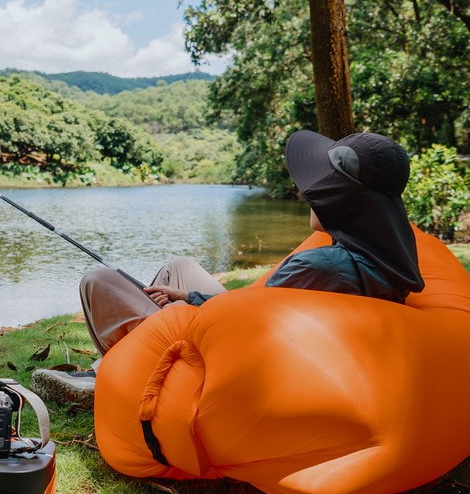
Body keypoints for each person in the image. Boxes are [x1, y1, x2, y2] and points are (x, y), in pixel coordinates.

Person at [32, 129, 425, 408]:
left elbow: (243, 326)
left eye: (321, 187)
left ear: (345, 202)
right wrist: (188, 296)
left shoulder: (323, 266)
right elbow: (259, 308)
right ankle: (103, 370)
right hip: (270, 329)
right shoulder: (387, 254)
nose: (308, 193)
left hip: (231, 354)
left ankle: (113, 376)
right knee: (179, 268)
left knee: (97, 280)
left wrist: (184, 310)